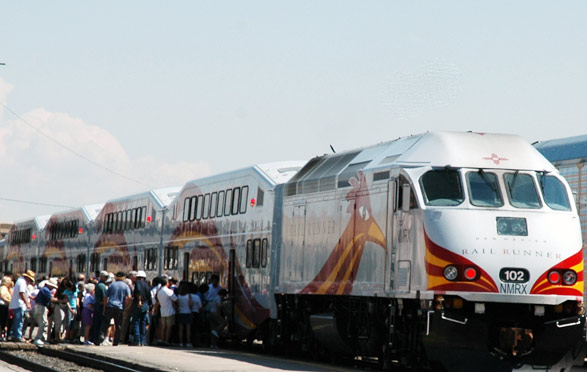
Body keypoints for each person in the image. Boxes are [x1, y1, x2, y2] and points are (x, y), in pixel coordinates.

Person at [101, 272, 131, 346]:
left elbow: (105, 296)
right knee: (118, 325)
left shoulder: (112, 285)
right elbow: (129, 297)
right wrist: (126, 305)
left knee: (106, 323)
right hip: (119, 307)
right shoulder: (125, 286)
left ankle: (103, 338)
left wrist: (105, 305)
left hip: (110, 306)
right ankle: (116, 341)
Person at [8, 270, 35, 342]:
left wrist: (30, 298)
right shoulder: (22, 282)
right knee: (19, 321)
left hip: (17, 304)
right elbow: (21, 293)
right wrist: (27, 303)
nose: (30, 281)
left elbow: (25, 293)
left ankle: (12, 335)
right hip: (19, 304)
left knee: (16, 321)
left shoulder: (21, 281)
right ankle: (18, 336)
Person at [32, 278, 58, 346]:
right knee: (43, 323)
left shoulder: (43, 289)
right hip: (42, 307)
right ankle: (38, 338)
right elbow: (51, 299)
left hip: (40, 306)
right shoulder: (46, 290)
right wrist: (61, 300)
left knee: (43, 322)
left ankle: (42, 338)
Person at [131, 270, 151, 346]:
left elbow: (138, 291)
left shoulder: (138, 283)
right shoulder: (147, 284)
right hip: (146, 304)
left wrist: (139, 300)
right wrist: (150, 304)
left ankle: (137, 340)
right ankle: (142, 340)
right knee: (143, 322)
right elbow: (149, 295)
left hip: (139, 304)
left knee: (136, 321)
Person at [155, 277, 177, 346]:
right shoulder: (168, 291)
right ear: (166, 283)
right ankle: (166, 341)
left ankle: (161, 339)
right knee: (169, 327)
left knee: (163, 327)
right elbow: (175, 299)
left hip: (162, 311)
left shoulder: (159, 292)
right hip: (170, 311)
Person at [91, 271, 108, 344]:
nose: (107, 278)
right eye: (106, 277)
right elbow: (104, 298)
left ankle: (95, 338)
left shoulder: (99, 285)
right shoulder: (102, 286)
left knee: (96, 323)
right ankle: (97, 338)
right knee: (99, 323)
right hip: (100, 306)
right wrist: (105, 308)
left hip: (97, 306)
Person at [176, 281, 193, 347]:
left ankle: (181, 342)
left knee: (181, 329)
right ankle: (188, 342)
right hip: (187, 312)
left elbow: (177, 304)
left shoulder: (179, 296)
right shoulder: (189, 296)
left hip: (181, 313)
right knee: (188, 329)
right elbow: (190, 304)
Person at [0, 276, 12, 341]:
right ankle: (1, 335)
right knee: (2, 321)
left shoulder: (6, 288)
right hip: (2, 305)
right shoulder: (3, 288)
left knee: (4, 321)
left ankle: (2, 335)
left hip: (4, 305)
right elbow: (2, 295)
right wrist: (7, 301)